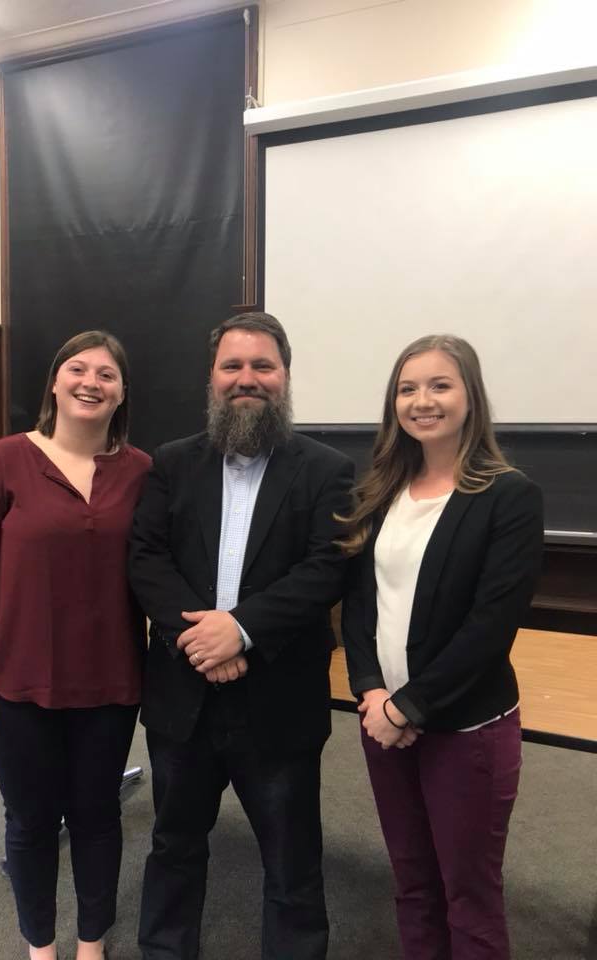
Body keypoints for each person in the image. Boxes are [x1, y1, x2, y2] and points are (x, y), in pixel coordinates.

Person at [128, 312, 353, 960]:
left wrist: (242, 629)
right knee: (173, 848)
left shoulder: (326, 469)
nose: (246, 379)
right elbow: (146, 556)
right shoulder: (170, 464)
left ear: (284, 377)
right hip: (182, 699)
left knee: (292, 866)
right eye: (233, 365)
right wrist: (201, 639)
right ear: (212, 377)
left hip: (278, 703)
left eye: (262, 366)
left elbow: (326, 567)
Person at [0, 330, 151, 960]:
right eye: (78, 369)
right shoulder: (2, 462)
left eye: (107, 374)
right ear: (55, 382)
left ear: (122, 393)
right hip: (17, 683)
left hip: (110, 684)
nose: (91, 382)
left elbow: (159, 574)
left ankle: (91, 943)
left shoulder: (142, 472)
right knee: (30, 823)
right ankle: (41, 944)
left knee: (97, 818)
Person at [339, 334, 543, 959]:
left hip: (465, 729)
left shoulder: (508, 496)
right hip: (383, 724)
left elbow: (489, 628)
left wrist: (407, 708)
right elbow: (359, 608)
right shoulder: (380, 493)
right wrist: (373, 695)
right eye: (407, 388)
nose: (421, 401)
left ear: (469, 396)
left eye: (439, 385)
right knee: (412, 884)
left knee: (469, 895)